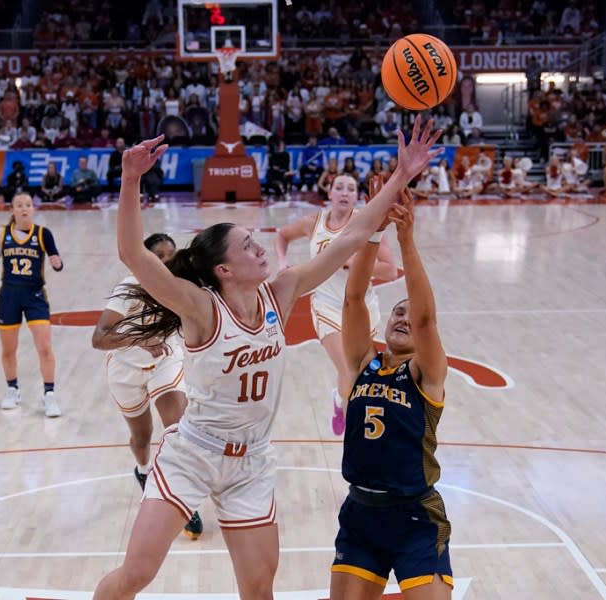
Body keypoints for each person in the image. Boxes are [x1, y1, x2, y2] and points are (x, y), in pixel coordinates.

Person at [93, 118, 442, 600]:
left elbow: (355, 232)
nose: (263, 249)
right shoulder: (200, 308)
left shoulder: (282, 292)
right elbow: (133, 254)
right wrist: (131, 179)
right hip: (193, 452)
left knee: (259, 592)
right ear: (224, 269)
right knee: (136, 574)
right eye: (249, 246)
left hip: (252, 460)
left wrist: (403, 176)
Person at [330, 189, 452, 600]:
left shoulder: (426, 373)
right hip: (361, 514)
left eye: (407, 314)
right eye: (396, 312)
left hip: (415, 516)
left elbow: (425, 316)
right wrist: (372, 231)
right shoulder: (362, 361)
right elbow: (353, 297)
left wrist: (405, 239)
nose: (402, 317)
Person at [91, 233, 203, 540]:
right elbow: (98, 338)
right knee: (142, 438)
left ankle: (183, 502)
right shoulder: (129, 289)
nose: (166, 261)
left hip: (165, 361)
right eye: (159, 255)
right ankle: (143, 471)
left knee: (178, 431)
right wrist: (139, 338)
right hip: (125, 368)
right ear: (147, 259)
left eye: (171, 254)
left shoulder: (182, 287)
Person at [275, 174, 398, 435]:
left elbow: (390, 271)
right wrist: (282, 262)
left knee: (358, 370)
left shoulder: (367, 225)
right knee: (348, 368)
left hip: (363, 307)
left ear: (356, 197)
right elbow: (282, 236)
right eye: (339, 187)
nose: (344, 192)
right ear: (329, 193)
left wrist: (354, 262)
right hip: (326, 304)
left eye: (350, 189)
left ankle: (340, 402)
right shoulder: (312, 223)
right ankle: (359, 428)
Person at [0, 193, 64, 417]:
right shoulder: (2, 234)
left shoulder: (43, 234)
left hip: (35, 296)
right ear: (12, 210)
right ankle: (12, 389)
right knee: (9, 349)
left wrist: (58, 264)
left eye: (28, 205)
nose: (24, 209)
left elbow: (56, 260)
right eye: (19, 205)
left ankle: (49, 394)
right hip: (8, 297)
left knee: (45, 347)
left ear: (33, 209)